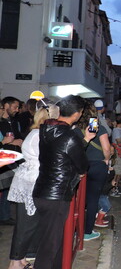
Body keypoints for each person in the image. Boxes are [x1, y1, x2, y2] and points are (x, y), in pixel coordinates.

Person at [32, 95, 93, 269]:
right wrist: (85, 140)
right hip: (56, 196)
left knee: (55, 240)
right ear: (77, 114)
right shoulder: (69, 136)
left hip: (41, 191)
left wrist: (85, 140)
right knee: (49, 246)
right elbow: (82, 165)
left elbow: (61, 153)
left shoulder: (46, 129)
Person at [7, 99, 59, 269]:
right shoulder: (40, 135)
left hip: (29, 179)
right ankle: (15, 262)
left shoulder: (36, 132)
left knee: (27, 223)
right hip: (32, 181)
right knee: (27, 224)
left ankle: (20, 259)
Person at [75, 101, 112, 241]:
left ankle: (75, 229)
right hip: (97, 165)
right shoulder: (96, 127)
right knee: (92, 199)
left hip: (81, 165)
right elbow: (106, 149)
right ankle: (87, 231)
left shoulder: (76, 128)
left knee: (79, 199)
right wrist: (106, 159)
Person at [0, 96, 23, 226]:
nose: (17, 110)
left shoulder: (15, 122)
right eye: (15, 107)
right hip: (3, 158)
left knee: (8, 187)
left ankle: (5, 215)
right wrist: (10, 142)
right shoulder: (1, 122)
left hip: (13, 158)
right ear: (6, 106)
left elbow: (18, 136)